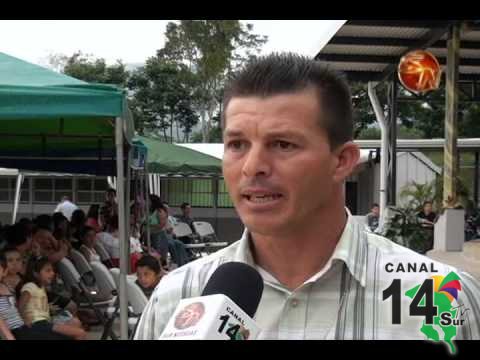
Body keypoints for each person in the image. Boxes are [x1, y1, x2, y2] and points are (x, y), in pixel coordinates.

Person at [134, 53, 480, 341]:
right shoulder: (179, 297)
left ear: (342, 161)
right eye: (237, 144)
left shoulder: (440, 298)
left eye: (283, 144)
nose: (252, 167)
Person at [0, 252, 70, 340]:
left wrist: (25, 319)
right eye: (10, 261)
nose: (14, 263)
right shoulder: (28, 286)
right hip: (15, 330)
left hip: (24, 326)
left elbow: (16, 307)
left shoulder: (6, 287)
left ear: (4, 271)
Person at [18, 257, 86, 340]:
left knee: (76, 325)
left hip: (45, 322)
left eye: (52, 270)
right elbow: (21, 304)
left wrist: (48, 308)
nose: (52, 273)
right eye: (48, 271)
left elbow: (34, 305)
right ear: (35, 273)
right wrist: (25, 318)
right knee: (80, 333)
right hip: (38, 324)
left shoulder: (41, 288)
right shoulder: (30, 286)